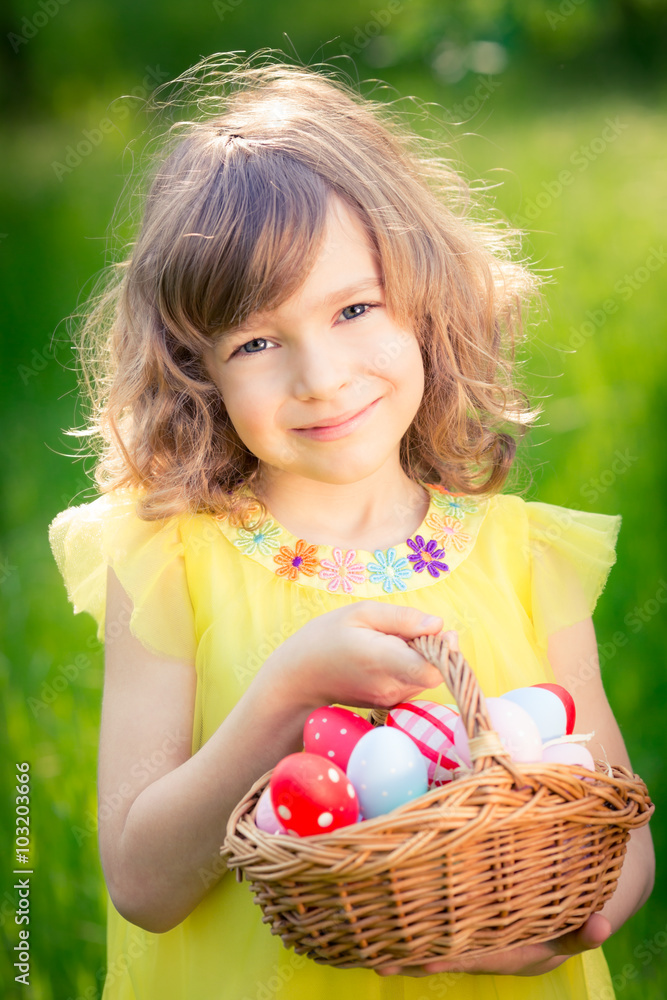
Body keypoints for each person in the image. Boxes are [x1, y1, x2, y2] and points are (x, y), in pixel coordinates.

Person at [48, 50, 654, 1000]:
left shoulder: (523, 557)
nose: (321, 376)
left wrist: (550, 933)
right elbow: (140, 882)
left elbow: (620, 835)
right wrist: (280, 700)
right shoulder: (170, 561)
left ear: (425, 303)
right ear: (196, 369)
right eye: (255, 340)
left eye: (354, 308)